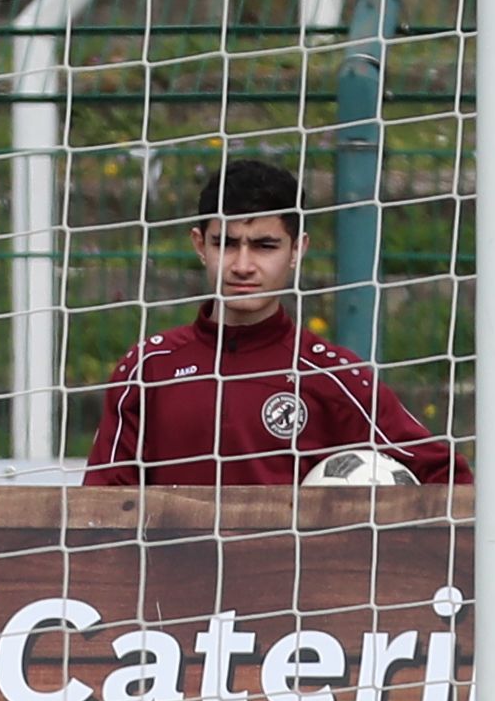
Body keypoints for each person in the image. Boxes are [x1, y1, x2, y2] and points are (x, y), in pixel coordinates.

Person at [82, 157, 468, 488]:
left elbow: (446, 476)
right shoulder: (148, 368)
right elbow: (100, 506)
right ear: (200, 246)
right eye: (226, 243)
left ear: (298, 249)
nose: (243, 266)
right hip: (174, 575)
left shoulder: (333, 375)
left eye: (265, 246)